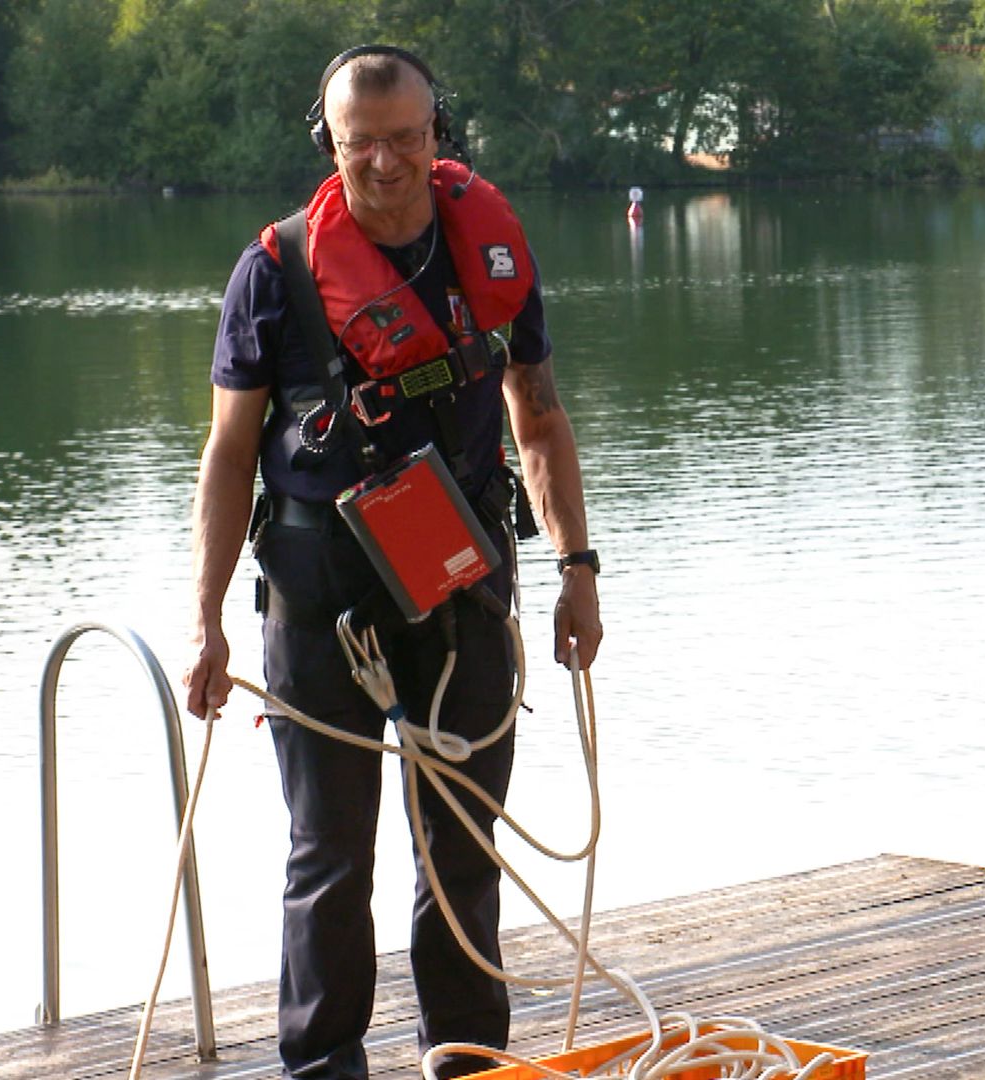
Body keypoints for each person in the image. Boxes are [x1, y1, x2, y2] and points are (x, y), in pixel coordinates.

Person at [182, 44, 603, 1080]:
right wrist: (206, 618)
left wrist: (578, 566)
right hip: (318, 594)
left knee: (460, 849)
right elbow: (229, 455)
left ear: (436, 133)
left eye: (404, 138)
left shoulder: (488, 256)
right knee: (328, 855)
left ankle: (465, 1063)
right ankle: (323, 1067)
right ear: (328, 141)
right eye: (358, 142)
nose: (382, 162)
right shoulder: (273, 271)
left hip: (461, 586)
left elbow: (538, 419)